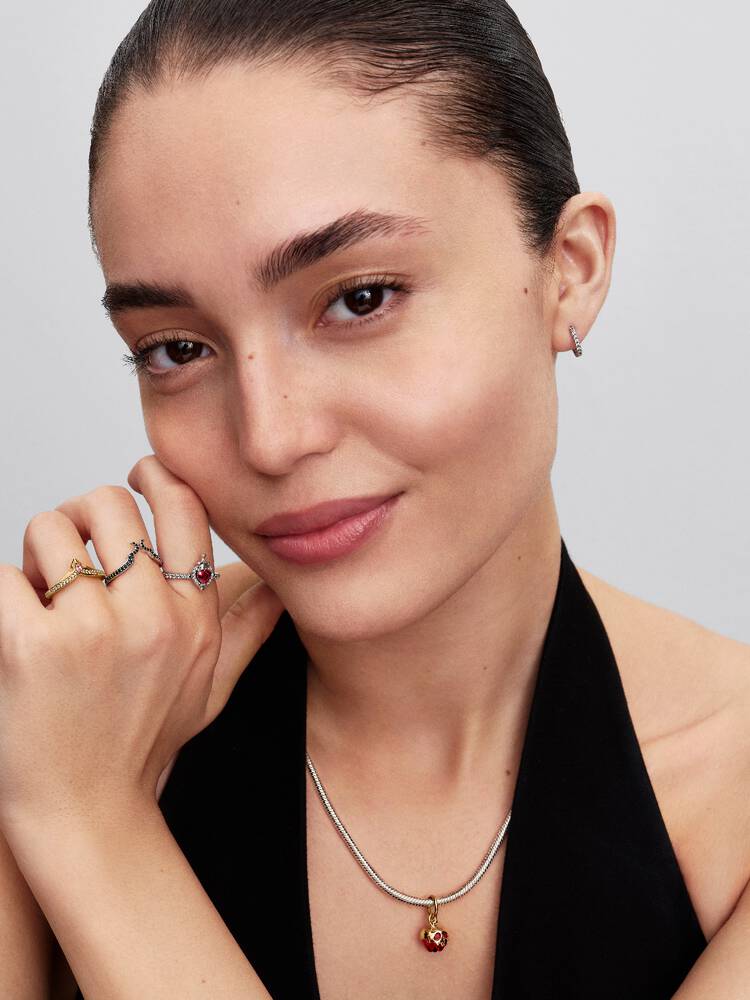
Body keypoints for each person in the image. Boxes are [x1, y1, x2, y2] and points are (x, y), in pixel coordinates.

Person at [0, 1, 748, 998]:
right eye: (177, 349)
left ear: (571, 270)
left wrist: (91, 824)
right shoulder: (51, 716)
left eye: (361, 298)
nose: (270, 438)